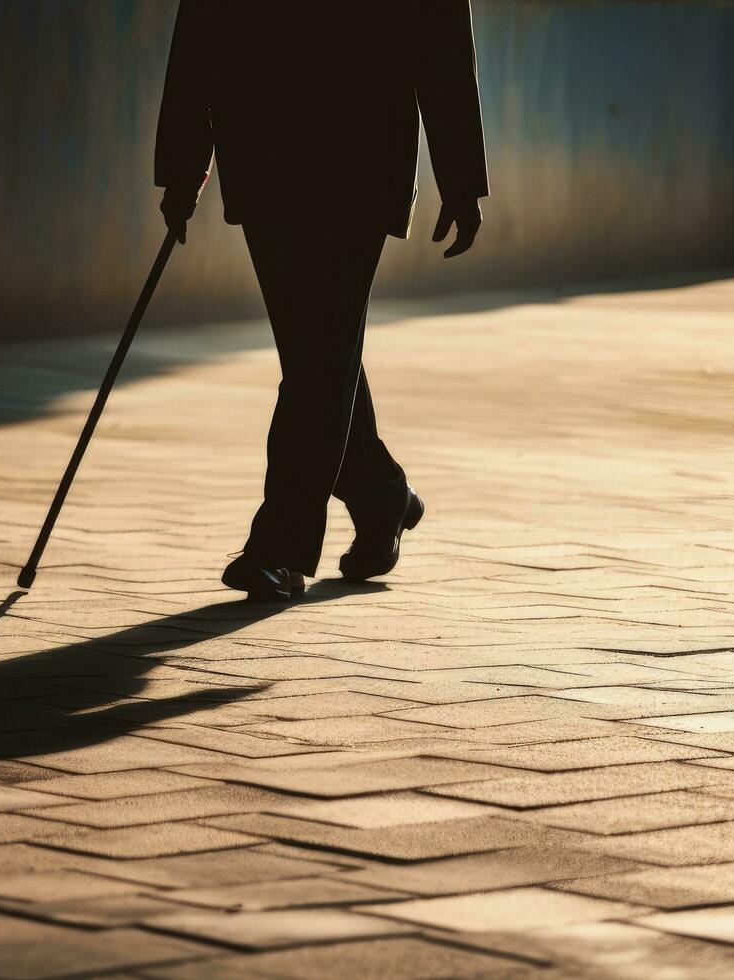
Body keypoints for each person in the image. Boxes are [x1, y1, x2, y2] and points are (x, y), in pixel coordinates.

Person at [155, 1, 489, 601]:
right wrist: (182, 163)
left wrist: (461, 177)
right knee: (317, 352)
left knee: (317, 358)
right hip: (264, 154)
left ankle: (281, 547)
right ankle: (380, 493)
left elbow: (439, 37)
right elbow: (203, 25)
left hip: (358, 155)